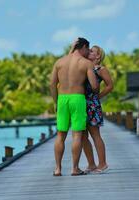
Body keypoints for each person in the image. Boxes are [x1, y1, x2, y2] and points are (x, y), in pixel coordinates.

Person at [50, 37, 99, 176]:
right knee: (77, 135)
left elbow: (52, 84)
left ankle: (58, 169)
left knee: (60, 135)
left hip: (62, 99)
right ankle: (74, 168)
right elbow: (95, 86)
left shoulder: (59, 62)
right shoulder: (86, 63)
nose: (88, 52)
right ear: (83, 47)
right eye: (87, 49)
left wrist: (55, 101)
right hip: (78, 99)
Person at [83, 45, 114, 173]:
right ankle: (91, 164)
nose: (89, 52)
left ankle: (102, 164)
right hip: (81, 104)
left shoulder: (101, 69)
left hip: (92, 105)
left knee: (95, 134)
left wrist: (98, 96)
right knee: (82, 136)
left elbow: (110, 85)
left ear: (98, 56)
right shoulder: (85, 67)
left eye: (91, 51)